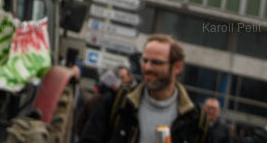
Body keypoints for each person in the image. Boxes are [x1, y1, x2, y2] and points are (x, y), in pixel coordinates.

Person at [79, 35, 209, 143]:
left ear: (177, 67)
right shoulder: (119, 103)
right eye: (145, 61)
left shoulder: (195, 119)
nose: (147, 68)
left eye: (156, 62)